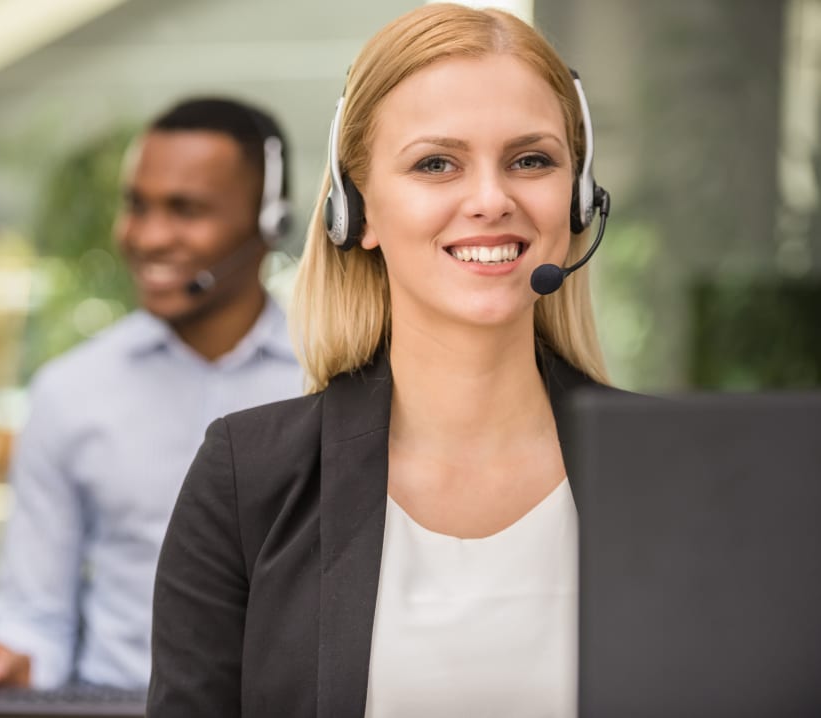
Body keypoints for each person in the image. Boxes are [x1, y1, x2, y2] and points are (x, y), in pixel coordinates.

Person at [148, 5, 625, 717]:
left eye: (531, 160)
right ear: (355, 209)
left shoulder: (680, 470)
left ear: (579, 197)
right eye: (437, 163)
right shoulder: (248, 479)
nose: (491, 200)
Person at [0, 97, 303, 693]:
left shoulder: (334, 381)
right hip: (116, 704)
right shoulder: (70, 391)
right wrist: (3, 662)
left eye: (186, 210)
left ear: (270, 222)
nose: (147, 236)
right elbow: (34, 618)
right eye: (136, 206)